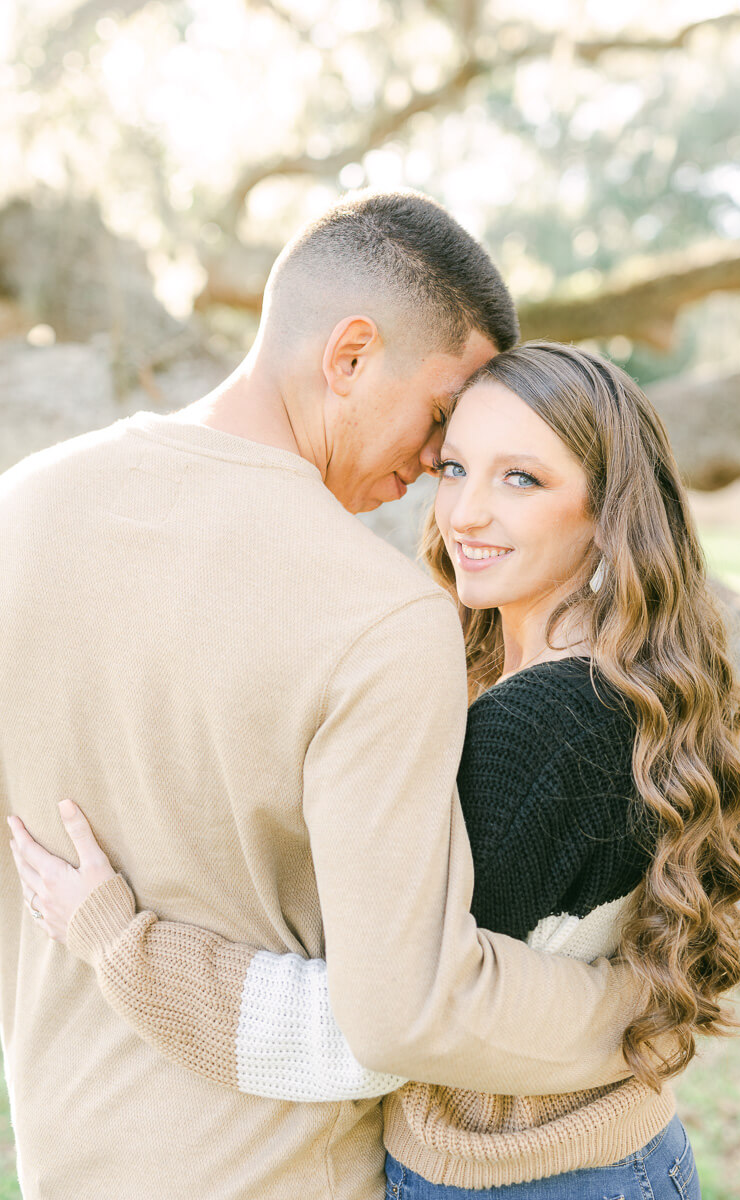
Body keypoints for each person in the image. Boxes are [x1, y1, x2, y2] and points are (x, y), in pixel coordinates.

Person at [0, 194, 654, 1200]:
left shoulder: (22, 509)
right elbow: (408, 1011)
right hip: (279, 1173)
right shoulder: (383, 617)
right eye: (442, 416)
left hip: (63, 1148)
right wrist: (631, 1011)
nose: (439, 461)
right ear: (349, 356)